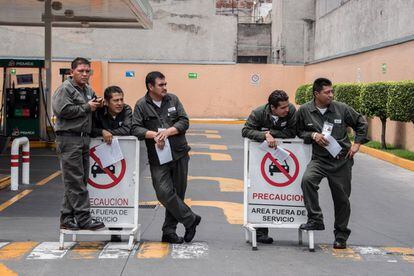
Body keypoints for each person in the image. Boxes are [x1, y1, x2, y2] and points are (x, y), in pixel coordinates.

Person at [296, 78, 368, 249]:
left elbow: (361, 123)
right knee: (307, 180)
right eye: (327, 92)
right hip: (319, 159)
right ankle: (316, 219)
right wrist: (313, 135)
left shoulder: (341, 109)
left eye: (331, 91)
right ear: (316, 94)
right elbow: (298, 130)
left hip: (341, 161)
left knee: (342, 199)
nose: (331, 95)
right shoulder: (305, 110)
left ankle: (341, 235)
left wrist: (357, 144)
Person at [131, 71, 201, 244]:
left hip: (179, 154)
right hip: (158, 157)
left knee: (177, 193)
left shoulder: (173, 99)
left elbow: (184, 121)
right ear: (150, 87)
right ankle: (190, 219)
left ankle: (169, 232)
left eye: (165, 84)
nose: (165, 88)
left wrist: (168, 132)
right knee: (163, 193)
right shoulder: (141, 105)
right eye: (161, 85)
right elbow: (135, 128)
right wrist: (153, 134)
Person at [52, 57, 105, 230]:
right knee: (75, 180)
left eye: (87, 71)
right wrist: (87, 107)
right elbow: (62, 110)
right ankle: (84, 218)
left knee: (79, 180)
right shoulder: (65, 89)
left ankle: (66, 218)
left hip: (83, 138)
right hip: (69, 138)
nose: (84, 74)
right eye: (80, 71)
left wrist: (98, 104)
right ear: (71, 72)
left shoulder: (88, 89)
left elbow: (91, 107)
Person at [242, 90, 297, 244]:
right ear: (272, 108)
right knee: (260, 190)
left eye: (287, 106)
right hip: (260, 158)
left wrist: (270, 133)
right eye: (283, 108)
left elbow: (293, 132)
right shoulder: (259, 113)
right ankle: (260, 232)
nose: (287, 109)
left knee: (281, 192)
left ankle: (292, 221)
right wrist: (264, 136)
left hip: (284, 157)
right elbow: (246, 130)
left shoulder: (291, 111)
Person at [91, 85, 132, 242]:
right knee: (103, 193)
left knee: (121, 192)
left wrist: (108, 132)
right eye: (116, 100)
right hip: (102, 160)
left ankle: (117, 229)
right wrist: (101, 132)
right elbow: (90, 129)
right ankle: (100, 224)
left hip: (124, 159)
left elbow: (128, 130)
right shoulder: (99, 112)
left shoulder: (127, 110)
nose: (120, 103)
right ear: (107, 102)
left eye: (121, 99)